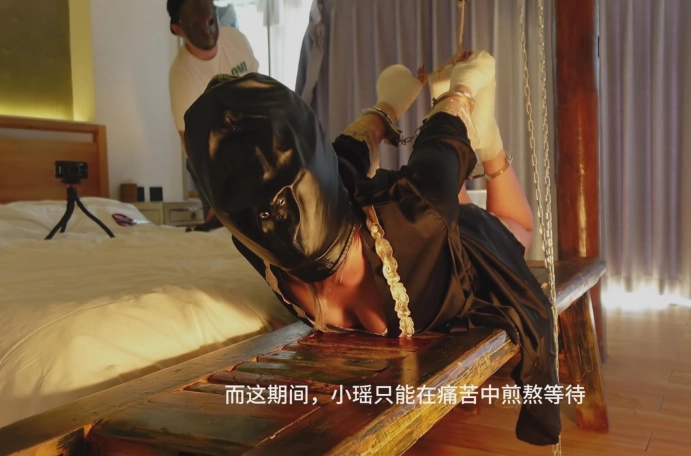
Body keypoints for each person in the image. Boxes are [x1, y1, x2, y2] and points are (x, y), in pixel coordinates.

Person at [182, 51, 561, 446]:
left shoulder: (253, 239)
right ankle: (479, 138)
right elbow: (412, 150)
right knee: (501, 224)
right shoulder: (417, 211)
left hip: (421, 234)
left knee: (496, 223)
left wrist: (406, 103)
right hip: (425, 243)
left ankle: (485, 138)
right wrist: (459, 92)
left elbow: (351, 156)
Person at [166, 0, 259, 229]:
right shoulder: (183, 77)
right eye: (197, 25)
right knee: (227, 227)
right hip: (213, 160)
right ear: (178, 29)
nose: (207, 31)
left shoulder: (236, 40)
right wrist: (217, 195)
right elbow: (192, 143)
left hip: (251, 143)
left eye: (210, 20)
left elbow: (258, 92)